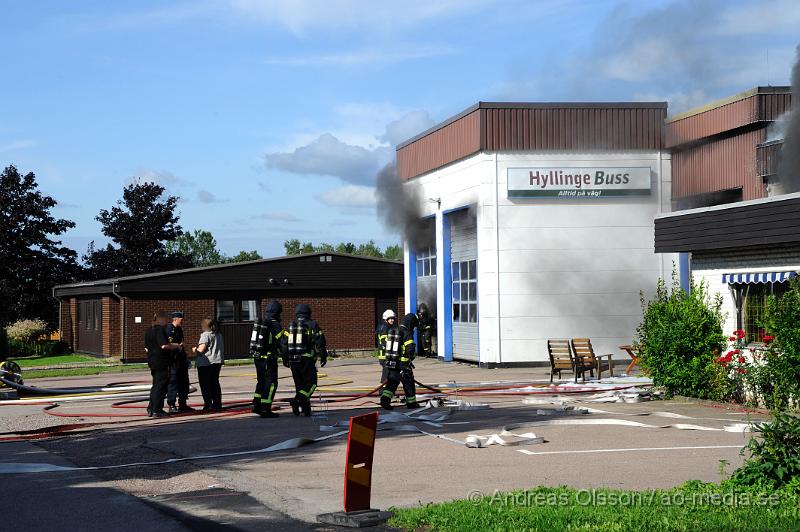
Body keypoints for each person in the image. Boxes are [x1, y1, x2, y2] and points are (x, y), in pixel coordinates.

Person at [281, 304, 327, 417]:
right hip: (307, 360)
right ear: (309, 313)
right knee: (311, 384)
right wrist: (323, 355)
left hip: (293, 361)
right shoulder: (312, 325)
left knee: (300, 386)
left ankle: (305, 410)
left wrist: (285, 358)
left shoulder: (290, 326)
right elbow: (320, 341)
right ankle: (297, 401)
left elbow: (283, 344)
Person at [249, 300, 285, 418]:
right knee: (271, 384)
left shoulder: (262, 321)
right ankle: (265, 408)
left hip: (258, 358)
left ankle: (257, 405)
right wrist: (286, 356)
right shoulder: (274, 324)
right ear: (277, 312)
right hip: (269, 359)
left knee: (261, 381)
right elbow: (282, 342)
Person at [145, 311, 182, 417]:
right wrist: (176, 346)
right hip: (161, 361)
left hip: (152, 361)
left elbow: (146, 348)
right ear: (161, 319)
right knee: (161, 386)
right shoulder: (159, 330)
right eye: (166, 319)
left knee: (155, 385)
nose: (167, 321)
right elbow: (164, 345)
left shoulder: (149, 330)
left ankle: (151, 408)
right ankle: (157, 409)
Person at [380, 312, 420, 410]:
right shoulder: (406, 332)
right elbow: (410, 349)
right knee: (409, 384)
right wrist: (411, 358)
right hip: (404, 365)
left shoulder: (395, 330)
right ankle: (411, 403)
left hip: (393, 363)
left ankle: (384, 401)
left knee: (392, 383)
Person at [192, 318, 225, 412]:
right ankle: (217, 404)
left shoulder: (205, 335)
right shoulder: (218, 334)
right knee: (215, 383)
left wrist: (195, 349)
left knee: (205, 385)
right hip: (217, 361)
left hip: (206, 363)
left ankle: (208, 404)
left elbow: (201, 350)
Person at [166, 311, 192, 414]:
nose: (183, 321)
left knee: (184, 382)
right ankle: (171, 404)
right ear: (175, 319)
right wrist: (177, 345)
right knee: (173, 382)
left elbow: (182, 344)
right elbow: (167, 344)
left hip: (181, 359)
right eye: (181, 319)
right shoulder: (169, 329)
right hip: (173, 360)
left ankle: (183, 403)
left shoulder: (179, 329)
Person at [375, 309, 396, 383]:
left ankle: (387, 390)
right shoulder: (385, 328)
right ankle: (382, 390)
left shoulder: (384, 327)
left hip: (384, 354)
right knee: (386, 373)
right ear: (386, 319)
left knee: (389, 373)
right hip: (385, 354)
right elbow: (385, 342)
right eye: (390, 318)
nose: (392, 320)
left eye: (393, 318)